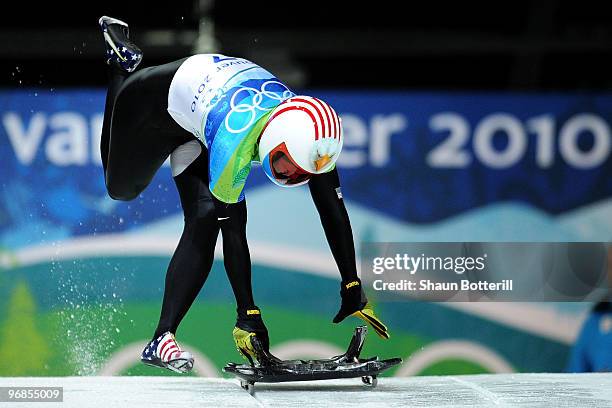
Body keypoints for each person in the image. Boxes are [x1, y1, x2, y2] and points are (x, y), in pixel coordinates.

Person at [98, 16, 389, 373]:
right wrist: (247, 315)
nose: (293, 176)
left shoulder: (311, 132)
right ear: (274, 140)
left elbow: (333, 210)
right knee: (120, 189)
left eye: (301, 173)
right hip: (154, 107)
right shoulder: (233, 142)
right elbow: (234, 232)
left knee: (203, 219)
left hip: (203, 108)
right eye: (288, 167)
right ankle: (121, 67)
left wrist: (352, 284)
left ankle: (161, 338)